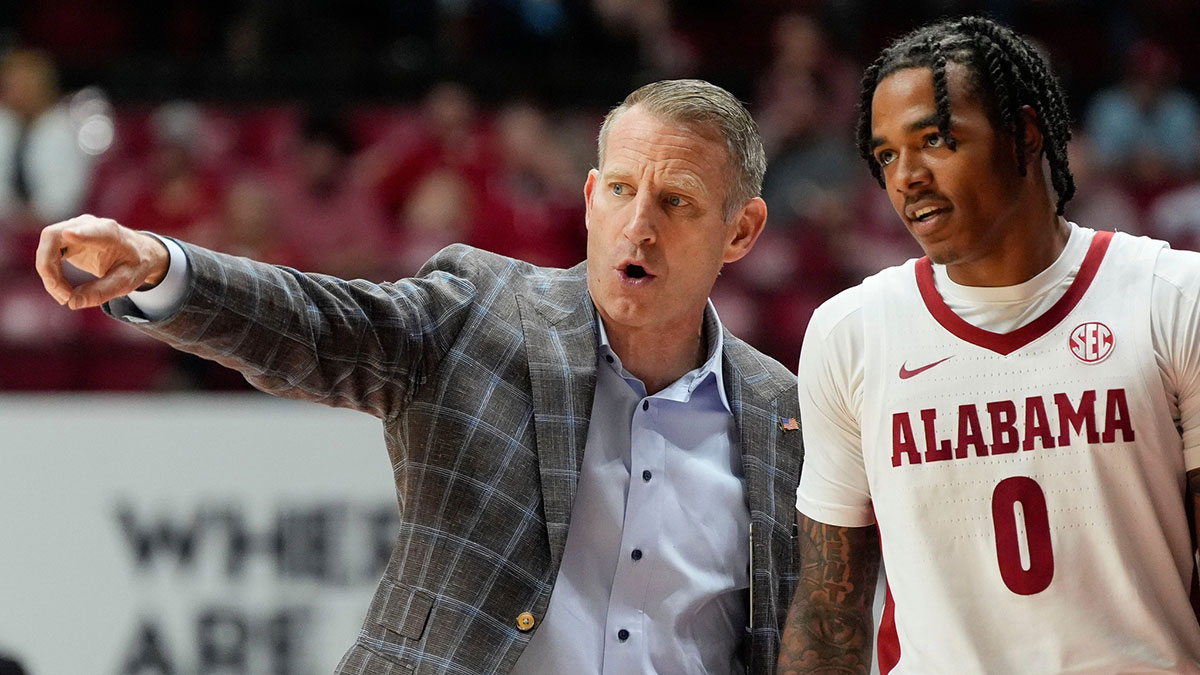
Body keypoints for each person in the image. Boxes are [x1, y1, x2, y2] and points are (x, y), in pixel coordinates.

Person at [36, 79, 804, 674]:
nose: (638, 225)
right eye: (621, 191)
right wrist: (166, 270)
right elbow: (320, 324)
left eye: (675, 202)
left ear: (742, 231)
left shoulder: (783, 415)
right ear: (590, 197)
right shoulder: (482, 310)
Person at [778, 16, 1200, 674]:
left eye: (936, 140)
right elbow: (829, 614)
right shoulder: (851, 332)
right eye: (887, 154)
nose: (906, 176)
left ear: (1025, 137)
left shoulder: (1173, 298)